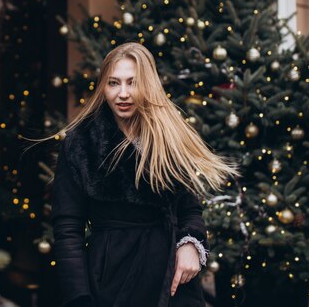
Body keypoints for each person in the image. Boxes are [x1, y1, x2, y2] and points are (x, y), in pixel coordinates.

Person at [51, 42, 237, 307]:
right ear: (103, 86)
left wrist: (191, 245)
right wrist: (79, 298)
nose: (123, 94)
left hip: (171, 282)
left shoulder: (170, 137)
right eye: (114, 83)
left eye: (132, 83)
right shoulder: (82, 143)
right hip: (110, 282)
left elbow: (190, 210)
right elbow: (68, 229)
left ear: (147, 85)